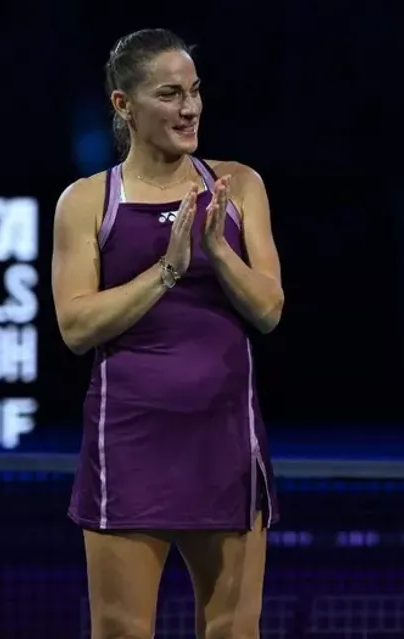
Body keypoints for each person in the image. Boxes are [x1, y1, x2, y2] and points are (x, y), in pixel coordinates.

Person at [51, 28, 283, 639]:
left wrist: (217, 251)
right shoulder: (86, 201)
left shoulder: (239, 185)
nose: (190, 108)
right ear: (123, 105)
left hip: (224, 441)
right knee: (121, 629)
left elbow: (269, 310)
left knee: (234, 629)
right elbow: (75, 326)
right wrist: (168, 270)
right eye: (170, 94)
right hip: (130, 443)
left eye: (195, 91)